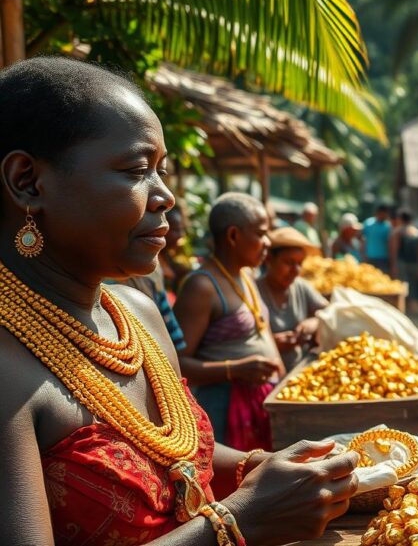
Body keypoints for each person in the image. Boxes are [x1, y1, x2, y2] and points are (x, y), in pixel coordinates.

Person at [0, 57, 357, 545]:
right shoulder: (7, 370)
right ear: (28, 181)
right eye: (136, 170)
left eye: (161, 171)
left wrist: (264, 469)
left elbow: (175, 462)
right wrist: (235, 524)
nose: (165, 195)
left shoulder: (137, 313)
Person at [176, 192, 286, 451]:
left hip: (260, 403)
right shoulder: (202, 286)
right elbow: (175, 364)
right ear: (234, 236)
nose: (268, 242)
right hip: (223, 409)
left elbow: (257, 331)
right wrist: (234, 369)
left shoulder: (246, 274)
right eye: (260, 234)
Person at [256, 227, 328, 371]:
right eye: (289, 262)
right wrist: (271, 343)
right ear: (269, 259)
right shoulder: (254, 291)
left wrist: (314, 321)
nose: (296, 270)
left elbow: (329, 310)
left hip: (300, 369)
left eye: (300, 264)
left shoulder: (301, 286)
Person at [158, 205, 195, 299]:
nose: (181, 235)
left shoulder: (170, 258)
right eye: (176, 229)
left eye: (182, 229)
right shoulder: (146, 265)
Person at [391, 209, 418, 310]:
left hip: (402, 263)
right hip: (414, 263)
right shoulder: (416, 232)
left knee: (402, 286)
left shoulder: (397, 232)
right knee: (413, 286)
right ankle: (412, 308)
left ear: (400, 219)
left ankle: (404, 308)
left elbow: (394, 250)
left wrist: (393, 265)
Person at [363, 204, 392, 274]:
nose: (384, 216)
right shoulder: (368, 223)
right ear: (378, 213)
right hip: (370, 258)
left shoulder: (388, 226)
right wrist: (363, 254)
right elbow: (362, 239)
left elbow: (390, 244)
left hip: (383, 259)